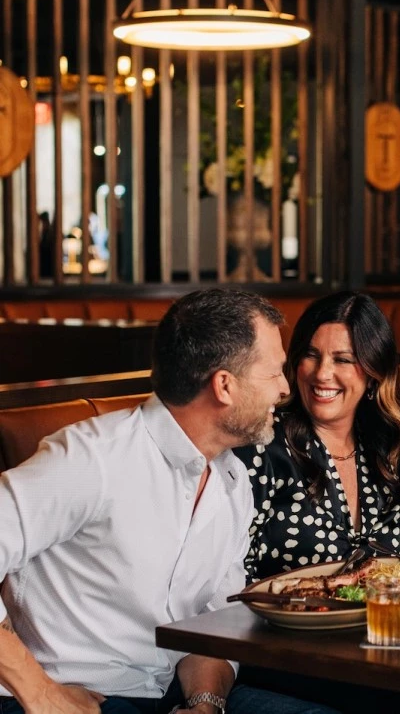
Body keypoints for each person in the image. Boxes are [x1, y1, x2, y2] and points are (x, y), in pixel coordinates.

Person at [0, 289, 336, 714]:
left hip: (166, 693)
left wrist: (206, 704)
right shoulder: (93, 458)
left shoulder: (232, 480)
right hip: (77, 694)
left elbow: (213, 624)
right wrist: (40, 692)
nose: (286, 388)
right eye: (274, 373)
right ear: (225, 385)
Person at [235, 291, 400, 580]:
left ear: (373, 373)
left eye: (343, 360)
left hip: (378, 621)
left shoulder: (385, 447)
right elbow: (231, 572)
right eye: (311, 355)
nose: (322, 373)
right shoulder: (263, 444)